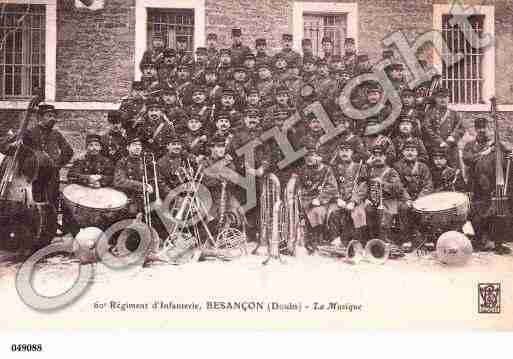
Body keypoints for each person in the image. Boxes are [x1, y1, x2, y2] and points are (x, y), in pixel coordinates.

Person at [463, 116, 513, 254]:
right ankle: (479, 239)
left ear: (489, 129)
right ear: (475, 130)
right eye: (479, 128)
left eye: (484, 128)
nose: (482, 131)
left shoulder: (498, 145)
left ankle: (498, 242)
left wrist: (507, 152)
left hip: (495, 186)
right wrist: (483, 153)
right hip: (476, 185)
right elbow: (468, 160)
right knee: (477, 213)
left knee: (500, 213)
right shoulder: (469, 146)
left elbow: (509, 157)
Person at [27, 104, 74, 213]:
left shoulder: (56, 134)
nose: (53, 119)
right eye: (49, 116)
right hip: (35, 176)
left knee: (51, 204)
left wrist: (56, 165)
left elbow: (69, 151)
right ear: (40, 117)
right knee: (34, 205)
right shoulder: (29, 133)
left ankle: (50, 229)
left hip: (52, 177)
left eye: (54, 116)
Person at [66, 133, 115, 235]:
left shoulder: (106, 161)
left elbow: (112, 177)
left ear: (100, 147)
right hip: (83, 195)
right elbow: (71, 175)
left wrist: (101, 181)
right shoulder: (80, 161)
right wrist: (88, 179)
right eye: (91, 145)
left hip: (100, 195)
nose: (94, 148)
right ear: (87, 147)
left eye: (96, 145)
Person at [363, 143, 410, 244]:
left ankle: (385, 241)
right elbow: (362, 185)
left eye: (381, 155)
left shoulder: (391, 171)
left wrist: (383, 183)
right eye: (375, 155)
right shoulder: (369, 170)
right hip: (372, 200)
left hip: (389, 200)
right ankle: (373, 241)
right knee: (368, 210)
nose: (378, 158)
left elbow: (398, 188)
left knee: (384, 214)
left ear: (385, 157)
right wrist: (367, 198)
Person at [295, 144, 339, 253]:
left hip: (324, 201)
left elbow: (332, 187)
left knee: (325, 212)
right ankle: (309, 242)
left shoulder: (327, 170)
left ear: (320, 158)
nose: (309, 158)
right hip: (306, 200)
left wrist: (320, 199)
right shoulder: (302, 170)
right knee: (313, 212)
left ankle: (321, 241)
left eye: (313, 155)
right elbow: (299, 187)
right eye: (307, 156)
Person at [394, 138, 433, 246]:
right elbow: (398, 185)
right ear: (403, 152)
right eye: (407, 150)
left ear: (417, 152)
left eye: (413, 150)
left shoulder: (423, 167)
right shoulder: (397, 167)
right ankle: (406, 239)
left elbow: (428, 185)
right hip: (403, 198)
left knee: (427, 208)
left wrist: (420, 199)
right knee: (403, 208)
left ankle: (426, 238)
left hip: (420, 198)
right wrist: (407, 199)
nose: (410, 152)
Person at [331, 140, 368, 246]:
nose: (344, 153)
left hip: (355, 200)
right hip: (339, 200)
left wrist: (353, 201)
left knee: (359, 214)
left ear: (352, 153)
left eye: (347, 150)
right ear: (338, 153)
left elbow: (363, 186)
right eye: (342, 150)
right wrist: (337, 198)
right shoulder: (334, 168)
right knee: (332, 213)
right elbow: (331, 185)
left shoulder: (360, 167)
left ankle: (358, 243)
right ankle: (336, 240)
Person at [113, 136, 154, 216]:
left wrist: (151, 187)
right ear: (128, 147)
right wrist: (143, 186)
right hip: (128, 199)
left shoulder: (146, 162)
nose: (138, 147)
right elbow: (119, 181)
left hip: (146, 199)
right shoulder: (122, 162)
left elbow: (154, 179)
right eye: (135, 145)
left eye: (139, 145)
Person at [424, 87, 464, 167]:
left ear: (448, 98)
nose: (443, 100)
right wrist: (439, 141)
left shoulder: (454, 114)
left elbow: (461, 129)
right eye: (440, 97)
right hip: (436, 148)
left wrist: (453, 137)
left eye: (445, 97)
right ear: (435, 99)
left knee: (454, 170)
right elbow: (427, 128)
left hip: (451, 148)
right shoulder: (429, 113)